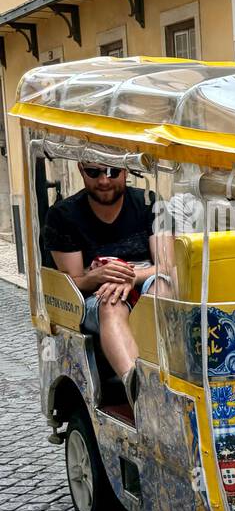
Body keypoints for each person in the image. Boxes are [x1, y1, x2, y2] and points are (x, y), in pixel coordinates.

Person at [44, 162, 157, 403]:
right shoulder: (63, 215)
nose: (104, 181)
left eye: (112, 172)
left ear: (126, 170)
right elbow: (72, 283)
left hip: (146, 280)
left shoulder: (149, 203)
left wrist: (131, 277)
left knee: (164, 286)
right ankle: (138, 388)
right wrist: (95, 277)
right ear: (81, 169)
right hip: (99, 295)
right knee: (111, 303)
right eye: (94, 173)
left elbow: (168, 266)